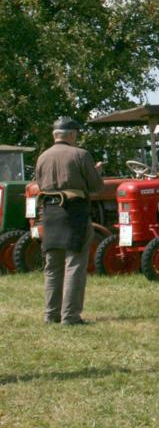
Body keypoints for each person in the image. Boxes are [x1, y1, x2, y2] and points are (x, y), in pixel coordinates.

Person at [34, 116, 104, 325]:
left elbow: (39, 184)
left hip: (50, 213)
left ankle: (51, 314)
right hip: (74, 213)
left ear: (54, 135)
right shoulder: (81, 154)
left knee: (52, 266)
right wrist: (97, 173)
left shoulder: (42, 157)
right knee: (74, 263)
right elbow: (96, 186)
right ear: (72, 135)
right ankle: (71, 316)